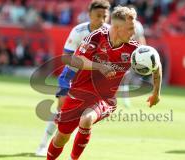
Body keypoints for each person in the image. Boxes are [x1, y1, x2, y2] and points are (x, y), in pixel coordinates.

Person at [47, 6, 162, 160]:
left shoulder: (134, 50)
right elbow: (76, 59)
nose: (133, 33)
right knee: (61, 137)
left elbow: (156, 64)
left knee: (86, 119)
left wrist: (156, 93)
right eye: (130, 29)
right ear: (116, 27)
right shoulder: (96, 37)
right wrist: (99, 66)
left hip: (104, 99)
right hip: (79, 92)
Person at [35, 0, 110, 156]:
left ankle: (72, 150)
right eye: (98, 16)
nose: (102, 20)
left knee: (86, 116)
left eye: (105, 16)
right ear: (90, 15)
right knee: (61, 108)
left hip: (92, 81)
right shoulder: (79, 31)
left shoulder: (110, 33)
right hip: (71, 75)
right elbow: (66, 58)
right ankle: (43, 144)